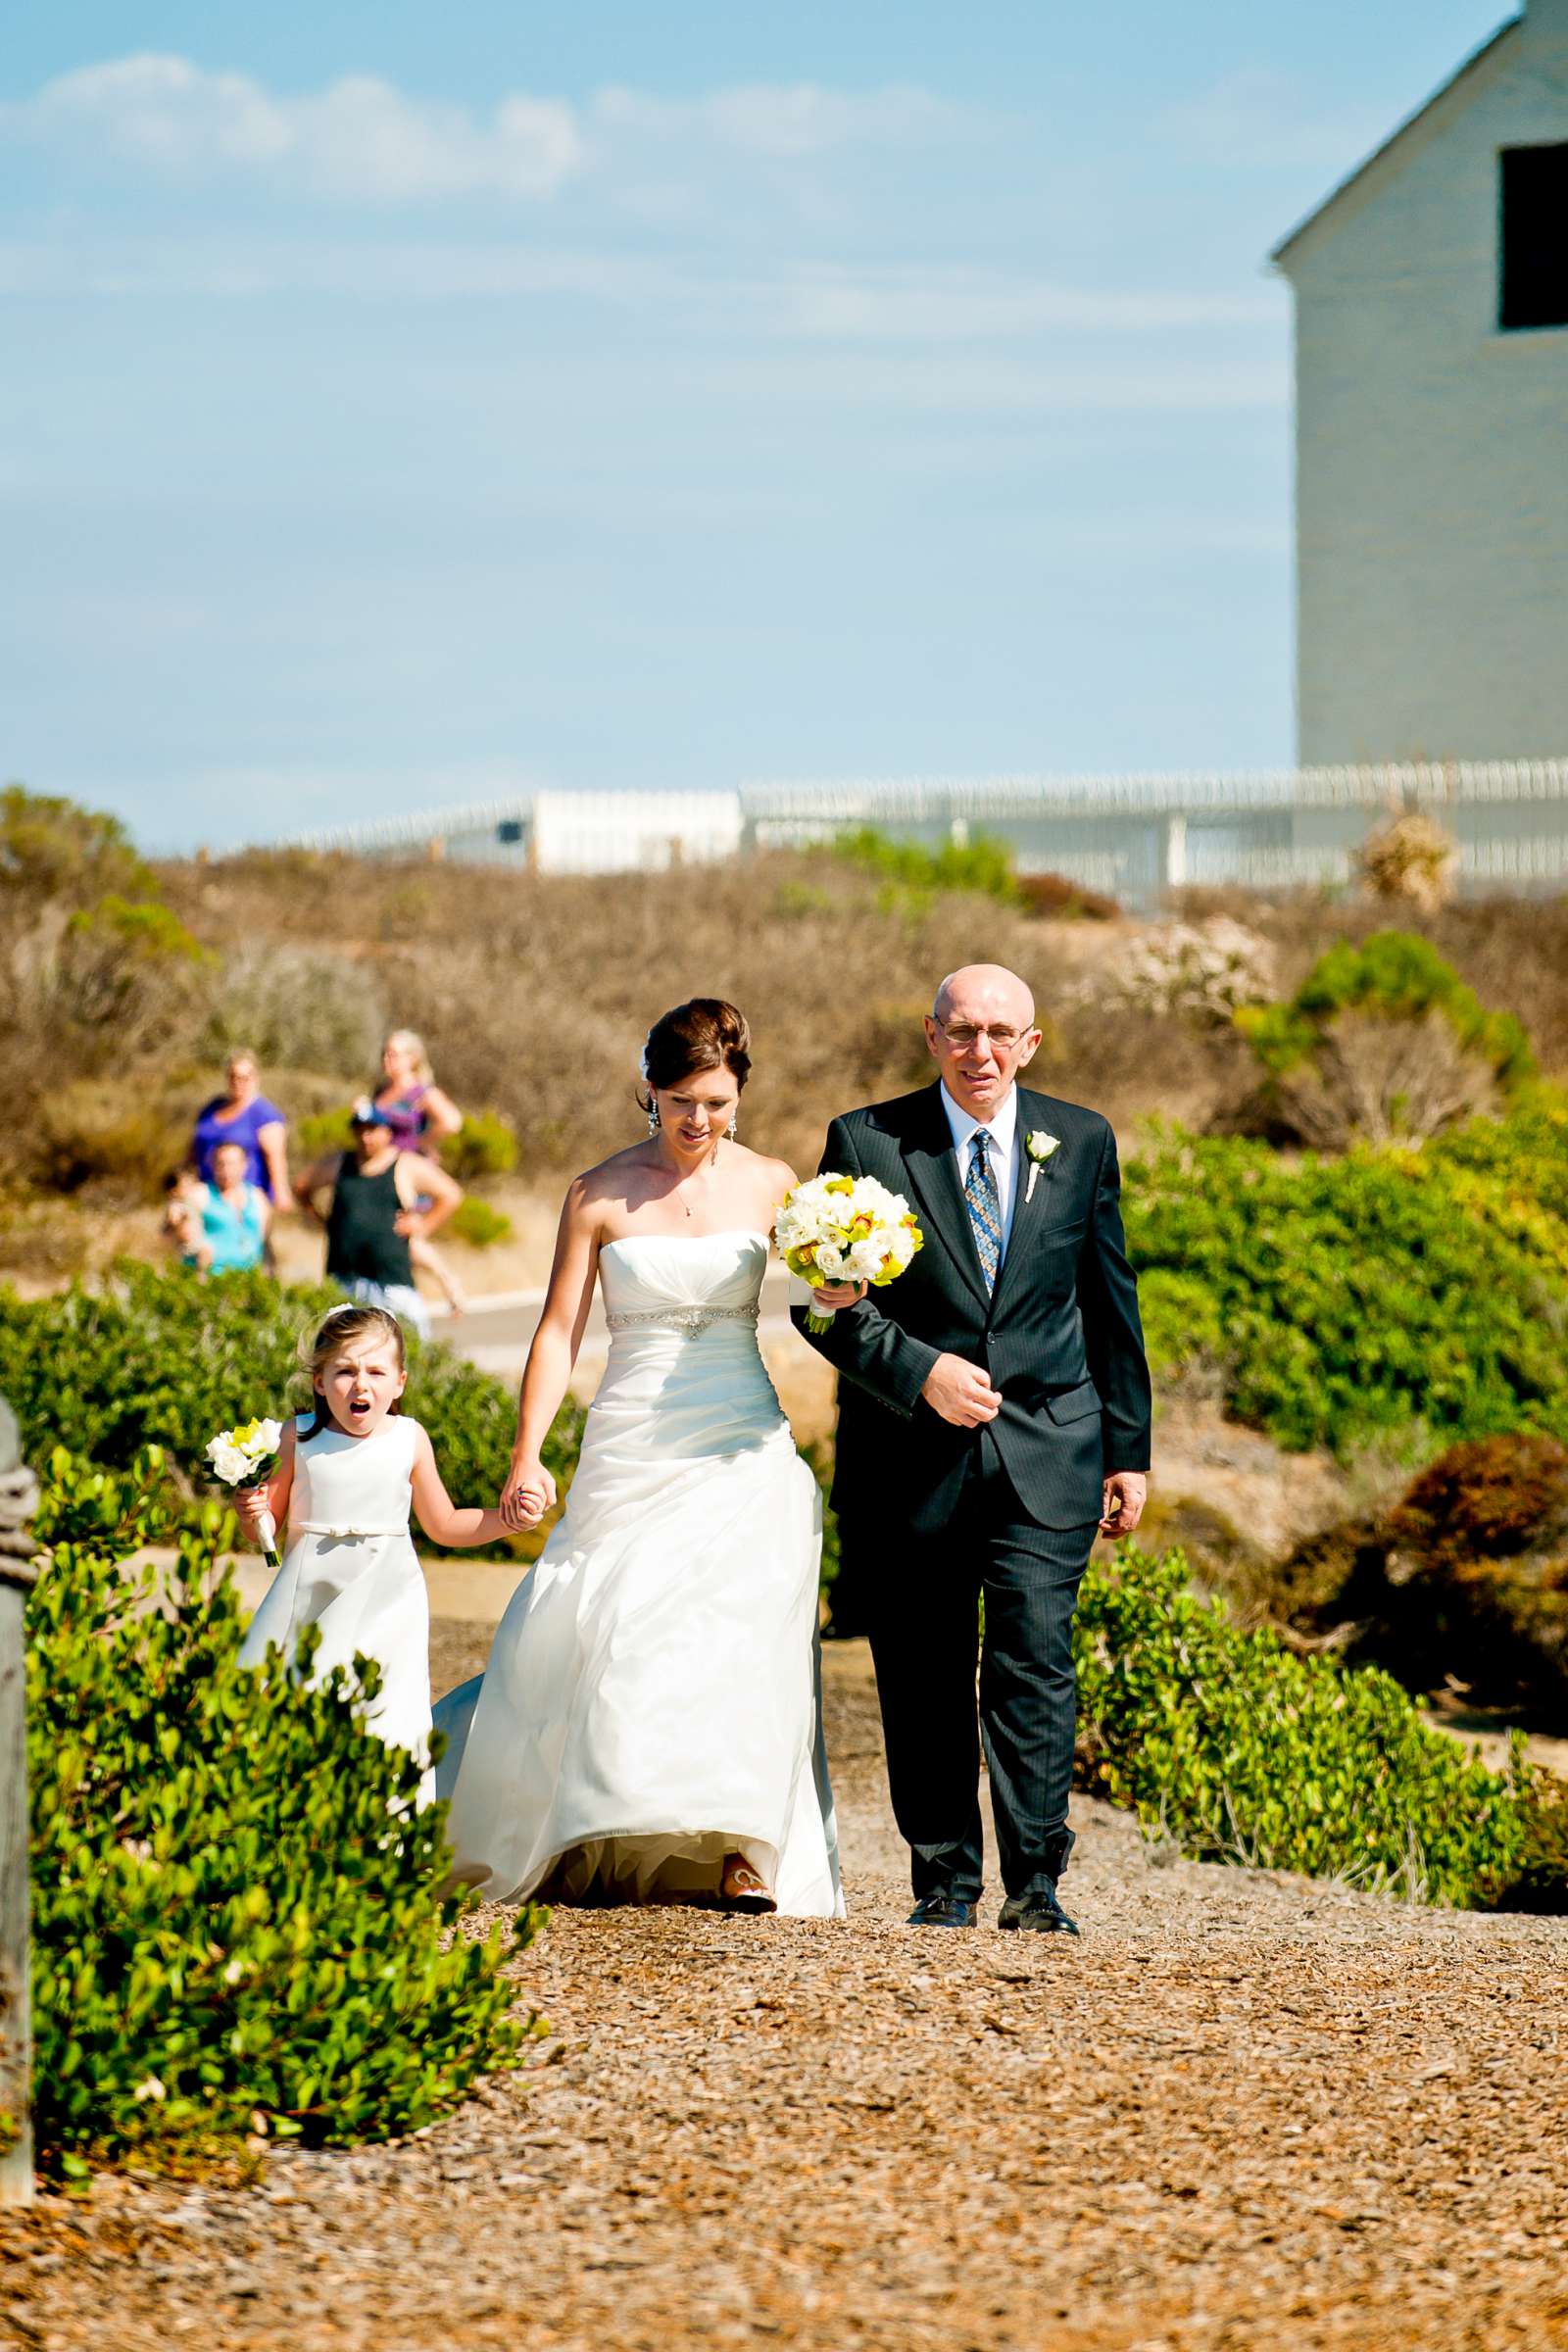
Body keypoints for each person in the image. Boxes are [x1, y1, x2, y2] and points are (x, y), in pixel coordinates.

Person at [433, 999, 843, 1920]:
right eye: (680, 1100)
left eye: (717, 1101)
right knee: (615, 1620)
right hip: (634, 1434)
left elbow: (830, 1295)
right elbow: (554, 1332)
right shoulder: (598, 1193)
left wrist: (845, 1280)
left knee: (741, 1619)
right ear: (649, 1092)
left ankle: (742, 1846)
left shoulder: (776, 1181)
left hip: (742, 1433)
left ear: (740, 1095)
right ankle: (602, 1814)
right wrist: (525, 1455)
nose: (699, 1121)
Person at [796, 963, 1152, 1937]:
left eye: (1000, 1033)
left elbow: (1109, 1300)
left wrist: (1130, 1449)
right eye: (961, 1031)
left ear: (1030, 1044)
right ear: (930, 1035)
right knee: (921, 1671)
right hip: (911, 1458)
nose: (980, 1050)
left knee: (1037, 1660)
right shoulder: (865, 1141)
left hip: (1052, 1450)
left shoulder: (1080, 1140)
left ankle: (1036, 1888)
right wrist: (918, 1371)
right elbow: (820, 1310)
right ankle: (942, 1886)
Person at [234, 1302, 511, 1803]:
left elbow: (444, 1524)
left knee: (385, 1707)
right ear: (319, 1381)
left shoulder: (408, 1439)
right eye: (344, 1371)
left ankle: (388, 1830)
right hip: (309, 1594)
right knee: (301, 1697)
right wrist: (250, 1508)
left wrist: (504, 1520)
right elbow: (265, 1529)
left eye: (376, 1371)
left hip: (388, 1599)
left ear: (400, 1382)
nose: (360, 1385)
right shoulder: (297, 1437)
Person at [293, 1102, 463, 1342]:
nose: (365, 1137)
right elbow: (301, 1186)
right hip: (344, 1279)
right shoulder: (340, 1163)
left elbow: (450, 1194)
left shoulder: (404, 1164)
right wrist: (320, 1219)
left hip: (391, 1282)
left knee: (407, 1345)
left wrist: (423, 1225)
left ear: (387, 1132)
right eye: (360, 1130)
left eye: (372, 1129)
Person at [189, 1052, 291, 1208]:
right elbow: (194, 1152)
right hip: (207, 1197)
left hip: (244, 1202)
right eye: (233, 1076)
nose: (238, 1082)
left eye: (244, 1077)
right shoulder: (211, 1108)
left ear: (256, 1078)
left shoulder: (264, 1114)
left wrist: (282, 1197)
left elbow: (276, 1162)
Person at [372, 1029, 463, 1154]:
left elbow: (452, 1123)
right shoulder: (381, 1090)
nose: (386, 1059)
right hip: (378, 1163)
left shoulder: (423, 1092)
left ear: (412, 1059)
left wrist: (418, 1144)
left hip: (405, 1165)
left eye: (393, 1054)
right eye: (384, 1053)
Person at [191, 1139, 271, 1273]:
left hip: (249, 1277)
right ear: (212, 1165)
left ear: (244, 1164)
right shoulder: (200, 1194)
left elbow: (263, 1239)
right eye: (221, 1164)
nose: (226, 1170)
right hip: (211, 1277)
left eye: (232, 1164)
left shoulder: (257, 1197)